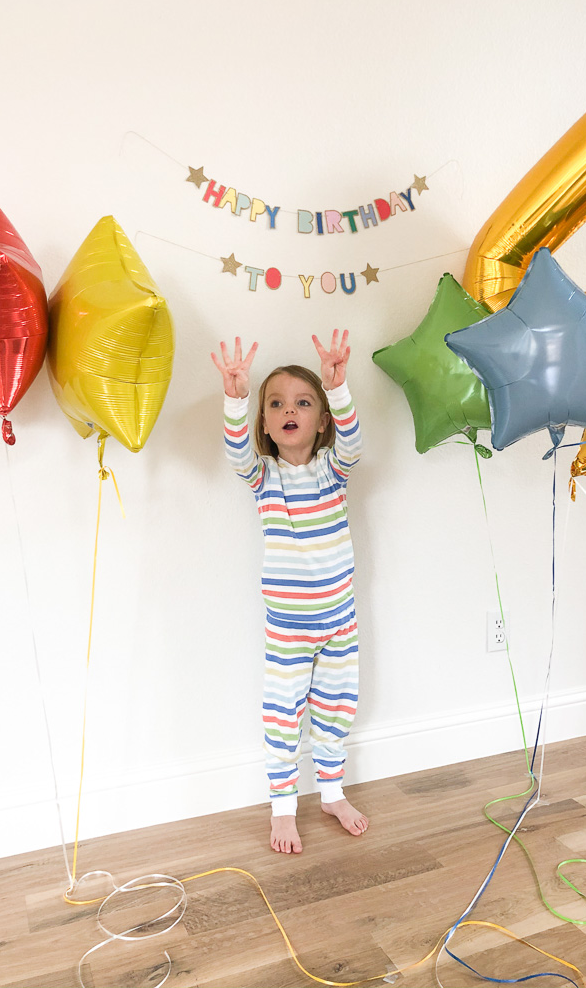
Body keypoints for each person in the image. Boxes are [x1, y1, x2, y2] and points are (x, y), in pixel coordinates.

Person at [211, 330, 368, 854]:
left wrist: (337, 388)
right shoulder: (264, 478)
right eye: (275, 404)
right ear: (265, 424)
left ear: (320, 420)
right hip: (289, 630)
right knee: (283, 716)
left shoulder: (332, 473)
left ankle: (331, 791)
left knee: (335, 710)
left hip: (339, 623)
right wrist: (237, 396)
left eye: (302, 403)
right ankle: (283, 807)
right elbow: (237, 453)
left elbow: (353, 443)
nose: (288, 410)